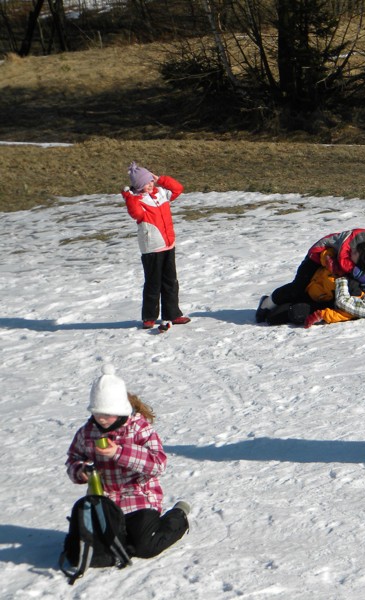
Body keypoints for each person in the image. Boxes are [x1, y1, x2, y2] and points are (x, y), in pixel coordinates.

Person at [65, 364, 190, 558]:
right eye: (97, 414)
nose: (102, 420)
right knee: (108, 548)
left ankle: (178, 516)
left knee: (144, 547)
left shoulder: (139, 429)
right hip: (107, 502)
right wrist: (81, 471)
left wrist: (119, 453)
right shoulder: (88, 432)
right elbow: (73, 458)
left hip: (140, 498)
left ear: (120, 410)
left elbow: (158, 464)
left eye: (107, 414)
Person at [256, 228, 365, 323]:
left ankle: (283, 310)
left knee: (303, 302)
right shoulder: (360, 236)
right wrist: (351, 274)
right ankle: (267, 303)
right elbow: (343, 261)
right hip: (319, 255)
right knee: (297, 288)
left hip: (327, 280)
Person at [122, 162, 191, 330]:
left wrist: (161, 179)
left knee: (171, 281)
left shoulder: (160, 193)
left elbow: (178, 189)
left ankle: (172, 314)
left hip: (168, 244)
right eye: (146, 183)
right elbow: (136, 214)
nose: (150, 185)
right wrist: (129, 197)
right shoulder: (138, 200)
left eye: (150, 181)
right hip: (152, 247)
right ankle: (149, 317)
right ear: (138, 186)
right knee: (153, 283)